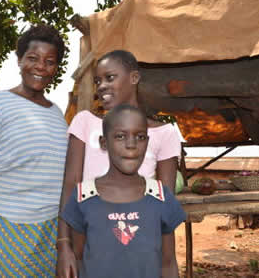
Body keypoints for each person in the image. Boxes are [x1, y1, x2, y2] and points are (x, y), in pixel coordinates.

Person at [57, 50, 182, 269]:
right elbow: (70, 185)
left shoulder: (165, 133)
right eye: (98, 81)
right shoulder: (85, 122)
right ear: (105, 141)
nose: (101, 86)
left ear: (134, 78)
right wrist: (63, 244)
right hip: (89, 236)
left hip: (138, 242)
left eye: (110, 78)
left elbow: (164, 203)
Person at [0, 24, 68, 277]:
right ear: (19, 60)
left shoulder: (57, 115)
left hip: (47, 235)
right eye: (32, 58)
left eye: (49, 61)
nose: (41, 67)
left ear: (56, 68)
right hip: (3, 229)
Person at [59, 104, 186, 278]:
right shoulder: (83, 197)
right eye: (120, 136)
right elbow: (80, 259)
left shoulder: (160, 197)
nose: (131, 145)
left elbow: (168, 263)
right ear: (104, 142)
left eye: (140, 137)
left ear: (147, 142)